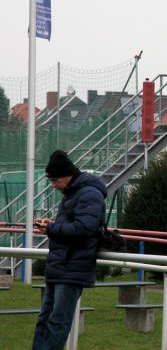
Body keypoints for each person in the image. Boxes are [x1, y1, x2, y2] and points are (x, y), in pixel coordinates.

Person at [32, 150, 107, 350]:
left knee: (57, 322)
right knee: (45, 320)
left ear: (67, 175)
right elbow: (75, 224)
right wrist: (53, 224)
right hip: (60, 266)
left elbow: (84, 228)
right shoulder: (72, 193)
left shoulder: (89, 194)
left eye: (55, 180)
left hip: (72, 267)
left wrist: (51, 228)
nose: (52, 185)